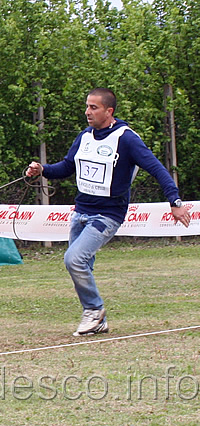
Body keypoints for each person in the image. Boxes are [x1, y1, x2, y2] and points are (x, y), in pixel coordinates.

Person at [26, 87, 190, 337]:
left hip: (108, 215)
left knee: (74, 260)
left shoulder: (127, 139)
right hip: (80, 211)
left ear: (109, 111)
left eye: (94, 107)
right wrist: (43, 170)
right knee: (81, 265)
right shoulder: (85, 136)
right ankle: (97, 320)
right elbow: (68, 166)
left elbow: (157, 169)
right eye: (87, 106)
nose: (87, 112)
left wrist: (175, 201)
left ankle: (94, 310)